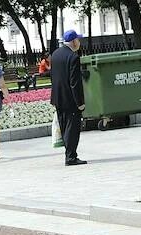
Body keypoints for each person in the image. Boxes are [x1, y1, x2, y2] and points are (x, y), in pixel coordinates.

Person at [49, 30, 85, 166]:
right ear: (74, 41)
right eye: (78, 40)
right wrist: (80, 102)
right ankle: (71, 157)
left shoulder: (55, 54)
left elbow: (53, 77)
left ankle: (69, 154)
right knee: (72, 128)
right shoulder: (73, 57)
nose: (79, 43)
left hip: (58, 97)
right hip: (70, 99)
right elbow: (74, 83)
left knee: (64, 126)